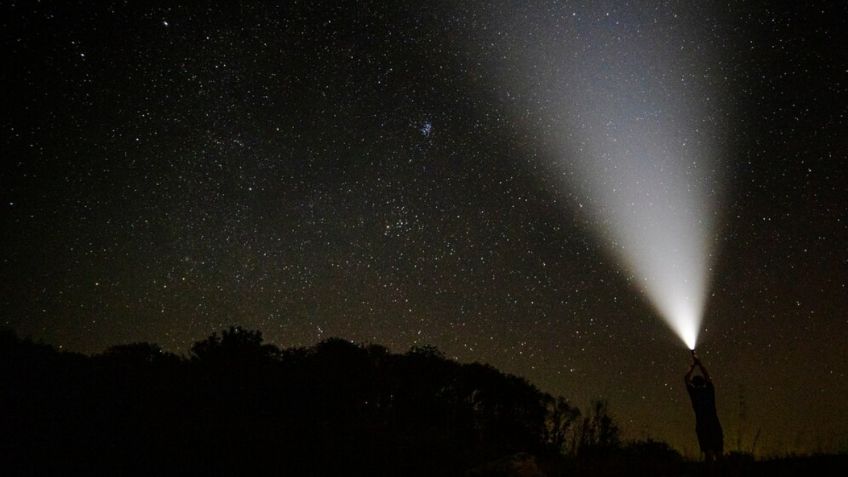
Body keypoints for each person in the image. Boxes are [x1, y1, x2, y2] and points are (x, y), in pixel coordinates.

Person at [685, 353, 723, 462]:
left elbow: (686, 379)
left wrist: (693, 366)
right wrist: (700, 364)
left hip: (702, 424)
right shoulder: (709, 391)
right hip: (715, 423)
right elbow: (708, 377)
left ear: (694, 384)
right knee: (719, 453)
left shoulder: (694, 393)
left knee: (708, 453)